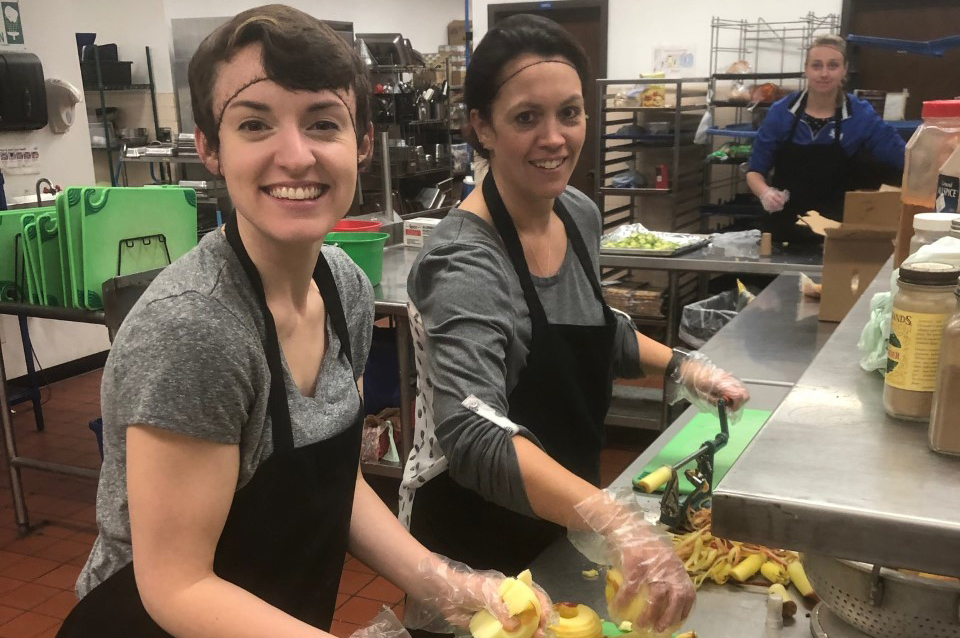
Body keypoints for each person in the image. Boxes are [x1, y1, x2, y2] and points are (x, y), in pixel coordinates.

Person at [56, 6, 555, 638]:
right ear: (210, 147)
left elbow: (330, 483)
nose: (295, 156)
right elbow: (178, 586)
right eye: (254, 124)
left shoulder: (342, 285)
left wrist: (449, 584)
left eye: (323, 122)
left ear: (362, 142)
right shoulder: (196, 330)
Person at [400, 14, 750, 637]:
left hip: (562, 515)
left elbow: (593, 326)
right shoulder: (464, 261)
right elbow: (473, 434)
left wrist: (680, 365)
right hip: (472, 536)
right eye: (526, 117)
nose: (555, 138)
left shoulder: (579, 213)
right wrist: (614, 521)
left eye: (570, 113)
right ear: (481, 126)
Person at [746, 34, 906, 242]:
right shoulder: (781, 112)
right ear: (806, 69)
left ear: (844, 70)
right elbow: (755, 172)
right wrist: (766, 193)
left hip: (838, 234)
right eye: (816, 66)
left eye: (832, 66)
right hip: (782, 228)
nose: (824, 73)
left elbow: (903, 158)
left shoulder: (861, 115)